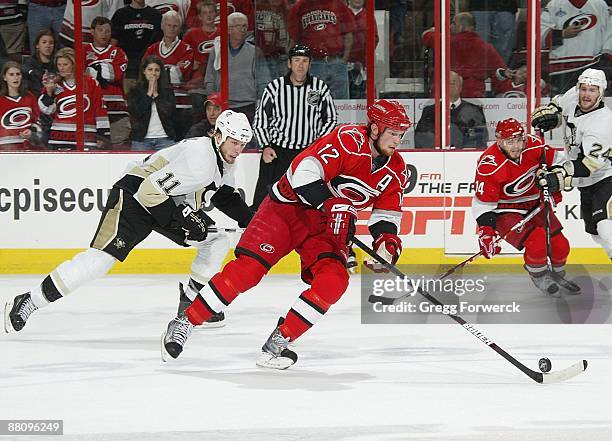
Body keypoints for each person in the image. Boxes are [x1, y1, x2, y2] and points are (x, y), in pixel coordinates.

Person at [160, 99, 411, 369]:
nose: (397, 140)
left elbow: (387, 214)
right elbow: (302, 173)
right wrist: (331, 203)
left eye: (400, 134)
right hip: (287, 208)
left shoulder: (396, 169)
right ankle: (185, 322)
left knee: (334, 281)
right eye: (392, 133)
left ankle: (279, 342)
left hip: (323, 225)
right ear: (374, 129)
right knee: (247, 271)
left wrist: (386, 245)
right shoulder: (347, 140)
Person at [4, 109, 255, 335]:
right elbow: (149, 191)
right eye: (234, 142)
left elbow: (225, 196)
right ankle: (29, 300)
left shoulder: (224, 160)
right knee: (99, 261)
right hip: (134, 196)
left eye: (242, 144)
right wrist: (185, 219)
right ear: (219, 135)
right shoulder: (201, 158)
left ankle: (190, 303)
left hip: (164, 200)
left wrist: (253, 223)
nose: (237, 149)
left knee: (216, 241)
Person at [472, 118, 581, 296]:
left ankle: (557, 273)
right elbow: (483, 204)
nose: (515, 146)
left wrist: (555, 181)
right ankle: (539, 276)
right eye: (509, 141)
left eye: (518, 140)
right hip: (506, 210)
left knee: (561, 246)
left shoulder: (535, 145)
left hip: (536, 204)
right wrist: (486, 231)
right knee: (538, 243)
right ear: (498, 140)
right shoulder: (489, 164)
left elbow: (561, 164)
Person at [532, 68, 612, 260]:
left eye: (592, 90)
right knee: (594, 233)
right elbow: (558, 106)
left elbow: (587, 166)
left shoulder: (603, 123)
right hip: (587, 182)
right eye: (584, 89)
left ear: (601, 93)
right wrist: (552, 115)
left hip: (605, 177)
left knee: (604, 226)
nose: (586, 94)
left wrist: (560, 176)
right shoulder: (573, 96)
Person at [251, 44, 337, 210]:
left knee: (308, 198)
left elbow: (331, 119)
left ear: (309, 64)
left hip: (307, 153)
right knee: (265, 201)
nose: (301, 65)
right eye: (297, 60)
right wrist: (265, 146)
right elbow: (261, 118)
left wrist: (318, 145)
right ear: (289, 63)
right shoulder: (274, 88)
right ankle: (258, 231)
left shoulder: (319, 88)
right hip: (277, 153)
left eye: (305, 61)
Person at [422, 12, 514, 98]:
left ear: (461, 27)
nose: (450, 27)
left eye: (453, 23)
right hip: (475, 96)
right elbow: (500, 74)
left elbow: (425, 36)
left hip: (446, 96)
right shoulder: (487, 48)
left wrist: (433, 30)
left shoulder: (446, 42)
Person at [38, 47, 110, 150]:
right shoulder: (55, 84)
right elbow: (47, 110)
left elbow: (100, 110)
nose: (61, 68)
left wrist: (103, 136)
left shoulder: (90, 83)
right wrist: (49, 93)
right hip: (59, 138)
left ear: (74, 64)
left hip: (86, 137)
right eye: (59, 65)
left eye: (65, 64)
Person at [205, 12, 266, 124]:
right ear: (228, 30)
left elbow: (263, 82)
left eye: (245, 26)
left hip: (247, 107)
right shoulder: (218, 50)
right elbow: (210, 79)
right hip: (222, 106)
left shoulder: (255, 52)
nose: (243, 30)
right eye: (239, 26)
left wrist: (259, 105)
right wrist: (213, 102)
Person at [287, 0, 356, 99]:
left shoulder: (338, 4)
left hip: (336, 61)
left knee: (341, 104)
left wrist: (344, 60)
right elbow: (294, 39)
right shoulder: (300, 6)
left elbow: (348, 34)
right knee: (312, 104)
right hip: (313, 63)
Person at [541, 0, 611, 96]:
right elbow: (539, 34)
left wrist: (606, 56)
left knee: (592, 106)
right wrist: (562, 34)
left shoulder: (599, 4)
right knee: (563, 106)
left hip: (593, 64)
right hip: (562, 68)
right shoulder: (554, 4)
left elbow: (609, 33)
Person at [143, 10, 194, 140]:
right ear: (162, 26)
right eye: (168, 25)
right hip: (159, 105)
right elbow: (144, 76)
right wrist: (172, 69)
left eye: (175, 26)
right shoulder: (152, 49)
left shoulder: (186, 49)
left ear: (180, 28)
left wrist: (158, 72)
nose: (171, 29)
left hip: (181, 105)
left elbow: (180, 76)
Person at [84, 16, 130, 148]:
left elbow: (115, 75)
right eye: (100, 30)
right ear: (92, 31)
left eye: (107, 31)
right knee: (94, 152)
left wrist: (93, 69)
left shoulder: (119, 52)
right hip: (93, 112)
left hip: (117, 113)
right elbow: (81, 78)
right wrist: (104, 68)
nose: (104, 34)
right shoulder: (83, 51)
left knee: (119, 150)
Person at [414, 71, 487, 148]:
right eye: (448, 82)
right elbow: (421, 138)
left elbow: (480, 139)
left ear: (460, 87)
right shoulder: (429, 111)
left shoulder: (475, 110)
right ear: (442, 87)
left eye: (454, 81)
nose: (451, 84)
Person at [111, 0, 163, 94]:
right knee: (130, 101)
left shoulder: (156, 15)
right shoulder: (120, 14)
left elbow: (160, 43)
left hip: (149, 67)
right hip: (127, 67)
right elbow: (113, 42)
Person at [126, 55, 177, 150]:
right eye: (150, 69)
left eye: (157, 70)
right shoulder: (134, 91)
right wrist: (149, 94)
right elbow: (137, 112)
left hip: (165, 139)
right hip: (141, 140)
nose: (153, 73)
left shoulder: (168, 91)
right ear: (143, 71)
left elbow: (170, 113)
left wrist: (157, 95)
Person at [183, 0, 219, 119]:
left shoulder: (223, 33)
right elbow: (183, 55)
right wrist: (191, 63)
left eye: (211, 12)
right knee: (197, 112)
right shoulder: (191, 34)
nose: (208, 15)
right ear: (199, 16)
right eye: (205, 13)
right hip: (197, 84)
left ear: (216, 14)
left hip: (217, 82)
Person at [0, 62, 42, 150]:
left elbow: (37, 121)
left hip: (27, 146)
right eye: (11, 74)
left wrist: (31, 133)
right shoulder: (1, 100)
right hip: (5, 148)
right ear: (4, 77)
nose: (15, 77)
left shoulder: (29, 97)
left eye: (18, 74)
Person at [347, 0, 379, 99]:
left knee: (363, 97)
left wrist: (364, 60)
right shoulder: (342, 15)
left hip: (363, 66)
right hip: (343, 66)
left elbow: (375, 39)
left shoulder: (369, 16)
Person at [23, 30, 57, 96]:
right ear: (37, 45)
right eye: (44, 42)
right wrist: (39, 75)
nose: (48, 45)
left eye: (51, 43)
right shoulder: (30, 63)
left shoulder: (57, 62)